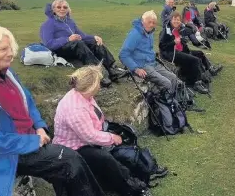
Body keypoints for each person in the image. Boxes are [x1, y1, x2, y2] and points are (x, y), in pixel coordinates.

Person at [0, 26, 105, 196]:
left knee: (63, 163)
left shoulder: (8, 73)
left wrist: (39, 126)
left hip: (30, 137)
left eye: (10, 48)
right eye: (3, 49)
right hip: (11, 152)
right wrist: (33, 141)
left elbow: (28, 102)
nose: (10, 53)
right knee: (68, 160)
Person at [53, 65, 167, 196]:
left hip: (86, 140)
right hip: (73, 148)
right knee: (106, 158)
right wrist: (111, 138)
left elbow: (95, 122)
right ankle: (132, 187)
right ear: (91, 86)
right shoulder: (75, 108)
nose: (100, 86)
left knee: (125, 134)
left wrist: (112, 133)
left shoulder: (84, 95)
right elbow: (89, 136)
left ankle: (146, 169)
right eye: (98, 83)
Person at [40, 0, 126, 87]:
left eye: (65, 7)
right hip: (60, 50)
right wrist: (67, 39)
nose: (62, 9)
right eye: (59, 7)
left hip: (73, 46)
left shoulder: (70, 21)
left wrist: (94, 37)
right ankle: (97, 75)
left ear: (68, 9)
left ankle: (112, 70)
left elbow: (81, 35)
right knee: (78, 43)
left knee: (95, 43)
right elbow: (49, 44)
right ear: (53, 9)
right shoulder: (48, 24)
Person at [159, 12, 223, 93]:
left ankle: (210, 69)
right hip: (171, 54)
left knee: (200, 53)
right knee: (195, 60)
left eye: (178, 20)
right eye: (174, 19)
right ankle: (197, 83)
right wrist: (174, 42)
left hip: (181, 51)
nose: (176, 21)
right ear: (170, 20)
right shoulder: (165, 31)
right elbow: (162, 46)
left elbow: (185, 35)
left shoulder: (178, 29)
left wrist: (183, 40)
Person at [119, 10, 178, 97]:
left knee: (173, 78)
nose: (151, 25)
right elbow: (123, 54)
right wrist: (136, 69)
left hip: (152, 63)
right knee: (167, 83)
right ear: (143, 21)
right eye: (149, 22)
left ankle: (171, 103)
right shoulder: (135, 34)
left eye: (153, 23)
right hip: (141, 65)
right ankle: (163, 103)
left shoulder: (149, 32)